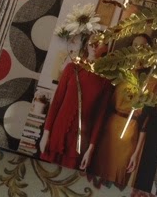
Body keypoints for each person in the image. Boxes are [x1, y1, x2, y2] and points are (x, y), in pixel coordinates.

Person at [89, 34, 157, 187]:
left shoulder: (152, 81)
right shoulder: (119, 72)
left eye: (142, 47)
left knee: (116, 178)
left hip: (130, 132)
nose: (137, 49)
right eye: (135, 45)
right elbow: (103, 104)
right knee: (96, 176)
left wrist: (137, 153)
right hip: (108, 128)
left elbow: (146, 121)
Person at [39, 38, 113, 170]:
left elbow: (99, 117)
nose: (94, 45)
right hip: (57, 133)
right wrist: (46, 133)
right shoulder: (72, 68)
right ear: (87, 43)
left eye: (100, 42)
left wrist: (90, 149)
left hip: (78, 142)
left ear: (106, 48)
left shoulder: (105, 81)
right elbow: (56, 101)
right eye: (92, 41)